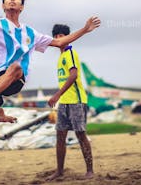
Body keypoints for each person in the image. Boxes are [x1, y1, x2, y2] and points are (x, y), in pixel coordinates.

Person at [0, 0, 100, 131]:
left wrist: (85, 29)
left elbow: (60, 42)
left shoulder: (30, 33)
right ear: (3, 5)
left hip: (16, 77)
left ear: (21, 7)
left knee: (16, 67)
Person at [46, 23, 93, 181]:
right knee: (60, 136)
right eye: (57, 36)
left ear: (68, 36)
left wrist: (57, 95)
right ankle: (59, 171)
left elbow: (73, 75)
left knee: (80, 134)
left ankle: (90, 171)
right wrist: (60, 98)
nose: (59, 38)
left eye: (62, 35)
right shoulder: (60, 57)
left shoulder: (70, 53)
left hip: (76, 101)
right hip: (64, 103)